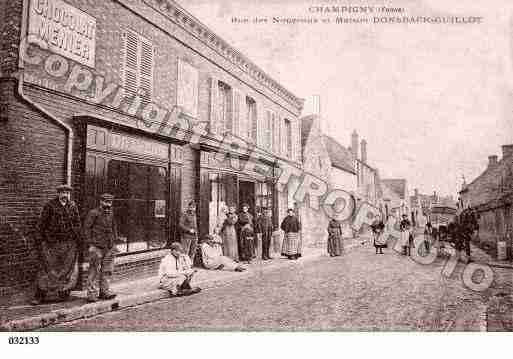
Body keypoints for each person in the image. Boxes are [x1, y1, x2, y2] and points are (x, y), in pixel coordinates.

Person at [33, 184, 82, 305]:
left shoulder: (72, 206)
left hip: (68, 243)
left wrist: (79, 238)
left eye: (67, 192)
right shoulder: (50, 205)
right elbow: (41, 223)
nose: (65, 195)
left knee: (67, 268)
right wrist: (39, 239)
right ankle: (40, 295)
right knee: (47, 268)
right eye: (62, 192)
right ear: (58, 193)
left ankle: (63, 293)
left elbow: (77, 223)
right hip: (52, 243)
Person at [83, 193, 118, 302]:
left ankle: (105, 291)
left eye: (110, 202)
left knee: (107, 270)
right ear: (101, 202)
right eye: (105, 202)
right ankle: (92, 294)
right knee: (94, 270)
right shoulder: (93, 213)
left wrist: (114, 241)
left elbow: (114, 227)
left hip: (109, 247)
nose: (108, 204)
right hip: (97, 247)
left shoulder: (111, 213)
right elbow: (86, 229)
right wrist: (91, 244)